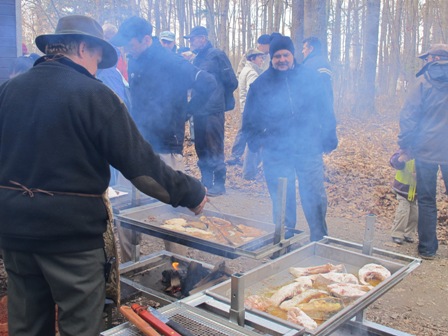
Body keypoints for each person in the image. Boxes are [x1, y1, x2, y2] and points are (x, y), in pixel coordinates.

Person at [0, 15, 207, 336]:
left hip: (14, 233)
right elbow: (141, 168)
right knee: (80, 324)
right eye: (97, 58)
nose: (97, 67)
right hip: (70, 237)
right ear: (84, 47)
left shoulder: (8, 90)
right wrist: (190, 192)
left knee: (26, 326)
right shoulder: (93, 95)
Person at [111, 17, 216, 256]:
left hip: (166, 147)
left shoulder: (172, 61)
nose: (126, 49)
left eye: (130, 43)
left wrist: (187, 112)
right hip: (135, 145)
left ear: (147, 39)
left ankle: (178, 270)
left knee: (171, 208)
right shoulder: (134, 60)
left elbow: (208, 83)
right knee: (126, 208)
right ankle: (129, 266)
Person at [243, 35, 338, 241]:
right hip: (276, 151)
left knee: (314, 195)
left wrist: (329, 135)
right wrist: (255, 140)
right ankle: (283, 240)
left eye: (286, 54)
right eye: (277, 56)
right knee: (282, 198)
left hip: (308, 146)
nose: (282, 59)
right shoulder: (261, 85)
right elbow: (250, 117)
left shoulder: (310, 78)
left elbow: (326, 109)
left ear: (292, 55)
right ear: (271, 58)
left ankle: (319, 239)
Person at [397, 43, 448, 260]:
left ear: (434, 59)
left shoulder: (422, 83)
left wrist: (406, 146)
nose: (425, 61)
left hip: (426, 151)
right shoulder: (422, 82)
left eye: (427, 58)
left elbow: (409, 117)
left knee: (427, 200)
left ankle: (428, 248)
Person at [184, 26, 238, 197]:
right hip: (199, 109)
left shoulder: (217, 55)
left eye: (193, 39)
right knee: (201, 146)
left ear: (203, 38)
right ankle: (206, 181)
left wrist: (220, 98)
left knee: (214, 146)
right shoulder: (197, 58)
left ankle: (219, 183)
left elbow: (232, 81)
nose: (190, 42)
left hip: (213, 109)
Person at [227, 48, 264, 180]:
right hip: (252, 111)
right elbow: (254, 93)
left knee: (245, 134)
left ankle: (239, 159)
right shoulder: (252, 73)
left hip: (247, 110)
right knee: (252, 139)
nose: (262, 60)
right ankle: (249, 171)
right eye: (260, 58)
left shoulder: (246, 70)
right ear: (252, 59)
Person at [389, 150, 418, 245]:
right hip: (402, 189)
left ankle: (408, 233)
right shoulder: (406, 151)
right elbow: (393, 161)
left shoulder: (424, 154)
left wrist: (421, 176)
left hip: (416, 192)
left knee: (415, 215)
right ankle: (397, 233)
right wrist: (400, 159)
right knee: (403, 212)